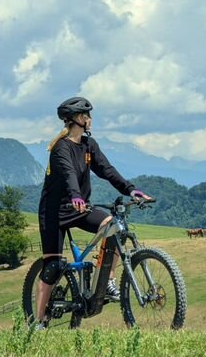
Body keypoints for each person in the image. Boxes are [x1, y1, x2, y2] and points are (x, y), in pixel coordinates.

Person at [36, 96, 152, 328]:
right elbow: (68, 175)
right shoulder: (60, 148)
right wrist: (76, 195)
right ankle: (38, 321)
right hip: (54, 212)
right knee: (54, 266)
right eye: (86, 115)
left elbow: (107, 170)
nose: (90, 119)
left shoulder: (89, 145)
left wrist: (131, 190)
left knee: (114, 226)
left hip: (80, 207)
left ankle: (107, 281)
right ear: (77, 119)